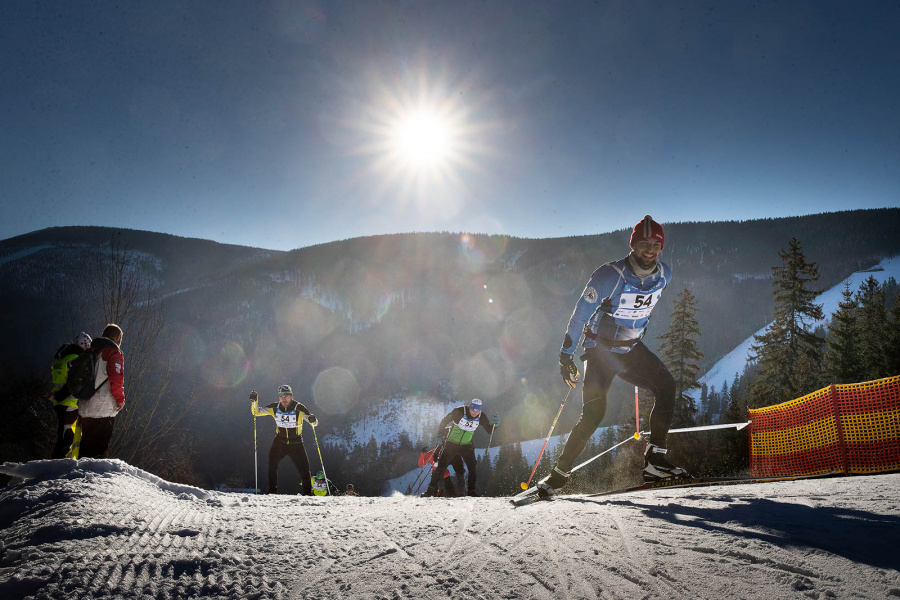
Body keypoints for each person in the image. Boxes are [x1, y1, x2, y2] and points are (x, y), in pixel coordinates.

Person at [539, 215, 685, 499]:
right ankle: (557, 477)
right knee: (594, 414)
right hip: (602, 354)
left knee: (666, 386)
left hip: (631, 351)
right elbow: (579, 315)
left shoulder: (665, 274)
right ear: (633, 245)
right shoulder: (609, 275)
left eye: (656, 244)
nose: (650, 250)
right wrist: (565, 356)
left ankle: (655, 462)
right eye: (644, 244)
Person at [250, 384, 317, 495]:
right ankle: (272, 492)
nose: (284, 398)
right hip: (279, 442)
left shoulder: (299, 408)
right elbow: (256, 412)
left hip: (296, 443)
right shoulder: (274, 407)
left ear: (291, 396)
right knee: (272, 466)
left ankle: (307, 494)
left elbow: (313, 422)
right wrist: (254, 401)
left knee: (304, 470)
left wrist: (313, 420)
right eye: (281, 396)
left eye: (286, 395)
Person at [424, 398, 496, 497]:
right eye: (473, 410)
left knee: (472, 468)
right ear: (469, 407)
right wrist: (440, 434)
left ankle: (471, 492)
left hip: (466, 445)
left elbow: (489, 430)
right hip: (452, 443)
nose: (474, 413)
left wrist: (495, 424)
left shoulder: (481, 416)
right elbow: (445, 420)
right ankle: (429, 491)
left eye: (477, 411)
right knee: (441, 467)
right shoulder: (460, 411)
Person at [77, 324, 126, 459]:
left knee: (85, 449)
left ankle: (79, 478)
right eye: (120, 338)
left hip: (85, 406)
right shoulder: (113, 353)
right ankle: (91, 478)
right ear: (116, 337)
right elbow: (116, 377)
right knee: (98, 451)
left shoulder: (90, 351)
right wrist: (120, 399)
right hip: (103, 409)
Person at [50, 331, 92, 458]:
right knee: (67, 436)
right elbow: (74, 382)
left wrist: (57, 396)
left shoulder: (62, 359)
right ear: (84, 345)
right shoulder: (75, 360)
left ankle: (58, 463)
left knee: (62, 434)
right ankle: (58, 465)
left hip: (59, 403)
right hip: (70, 402)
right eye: (87, 345)